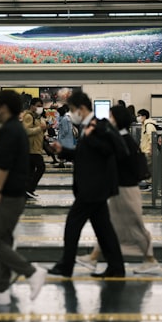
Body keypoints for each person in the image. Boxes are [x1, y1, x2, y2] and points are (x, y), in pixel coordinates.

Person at [0, 89, 48, 306]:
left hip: (7, 194)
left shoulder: (11, 129)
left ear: (5, 108)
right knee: (3, 240)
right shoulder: (12, 128)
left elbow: (4, 164)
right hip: (9, 194)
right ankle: (1, 289)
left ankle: (32, 272)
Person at [48, 91, 127, 279]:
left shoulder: (98, 126)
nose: (72, 114)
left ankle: (66, 266)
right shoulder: (89, 126)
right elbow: (85, 156)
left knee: (72, 225)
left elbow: (112, 151)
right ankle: (116, 268)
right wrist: (63, 151)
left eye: (73, 110)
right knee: (104, 229)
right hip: (95, 188)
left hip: (93, 188)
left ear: (82, 109)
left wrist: (91, 138)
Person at [77, 105, 160, 274]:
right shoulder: (120, 137)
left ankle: (150, 259)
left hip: (126, 190)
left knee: (135, 226)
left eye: (111, 116)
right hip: (119, 188)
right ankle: (94, 256)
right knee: (110, 225)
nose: (109, 118)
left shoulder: (124, 140)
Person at [22, 97, 46, 201]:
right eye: (38, 106)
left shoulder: (36, 117)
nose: (40, 108)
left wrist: (44, 129)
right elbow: (26, 131)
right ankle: (30, 189)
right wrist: (40, 128)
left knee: (30, 171)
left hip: (35, 147)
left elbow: (37, 132)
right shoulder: (28, 116)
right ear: (32, 106)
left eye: (41, 106)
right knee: (41, 167)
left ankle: (28, 191)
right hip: (31, 148)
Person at [137, 109, 156, 190]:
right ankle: (149, 185)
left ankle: (151, 185)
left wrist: (151, 150)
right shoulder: (144, 124)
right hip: (145, 150)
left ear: (144, 116)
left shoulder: (148, 125)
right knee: (148, 169)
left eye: (139, 115)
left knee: (149, 169)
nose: (138, 117)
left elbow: (151, 138)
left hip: (148, 151)